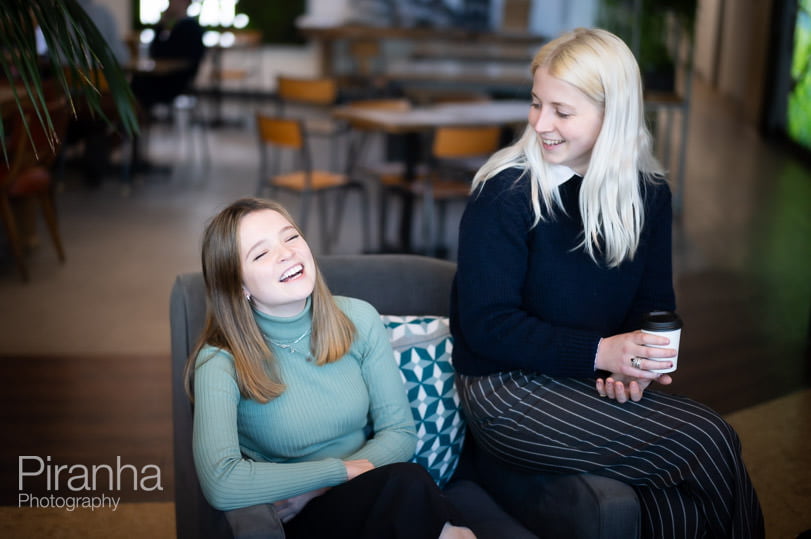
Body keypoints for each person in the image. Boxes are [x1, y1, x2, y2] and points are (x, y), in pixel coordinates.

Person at [450, 28, 764, 538]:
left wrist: (636, 366)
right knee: (709, 438)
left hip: (587, 379)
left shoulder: (647, 193)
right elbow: (487, 326)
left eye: (562, 111)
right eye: (537, 104)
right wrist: (602, 352)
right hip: (505, 390)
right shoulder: (505, 192)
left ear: (611, 114)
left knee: (673, 501)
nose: (541, 124)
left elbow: (653, 302)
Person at [185, 197, 475, 539]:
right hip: (305, 521)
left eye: (290, 237)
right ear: (240, 286)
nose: (287, 253)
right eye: (261, 254)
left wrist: (327, 482)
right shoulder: (219, 361)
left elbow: (400, 433)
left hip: (372, 492)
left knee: (410, 488)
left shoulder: (358, 318)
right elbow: (221, 483)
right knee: (413, 489)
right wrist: (335, 475)